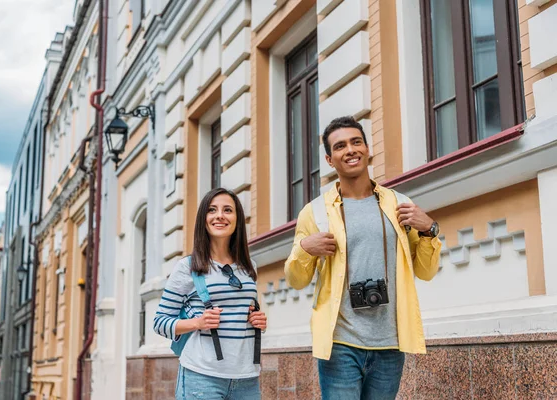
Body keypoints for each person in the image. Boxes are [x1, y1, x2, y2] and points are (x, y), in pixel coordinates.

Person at [284, 116, 441, 400]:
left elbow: (426, 271)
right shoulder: (315, 212)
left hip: (390, 343)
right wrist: (304, 249)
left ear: (369, 149)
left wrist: (429, 229)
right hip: (340, 344)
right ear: (330, 160)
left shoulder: (399, 203)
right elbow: (296, 280)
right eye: (340, 146)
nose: (351, 150)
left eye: (357, 142)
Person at [154, 187, 266, 400]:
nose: (220, 216)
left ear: (237, 219)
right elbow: (160, 322)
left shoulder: (249, 266)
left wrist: (257, 319)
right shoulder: (187, 267)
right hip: (201, 375)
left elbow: (244, 312)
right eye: (212, 210)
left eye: (228, 210)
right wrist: (198, 323)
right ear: (203, 219)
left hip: (247, 377)